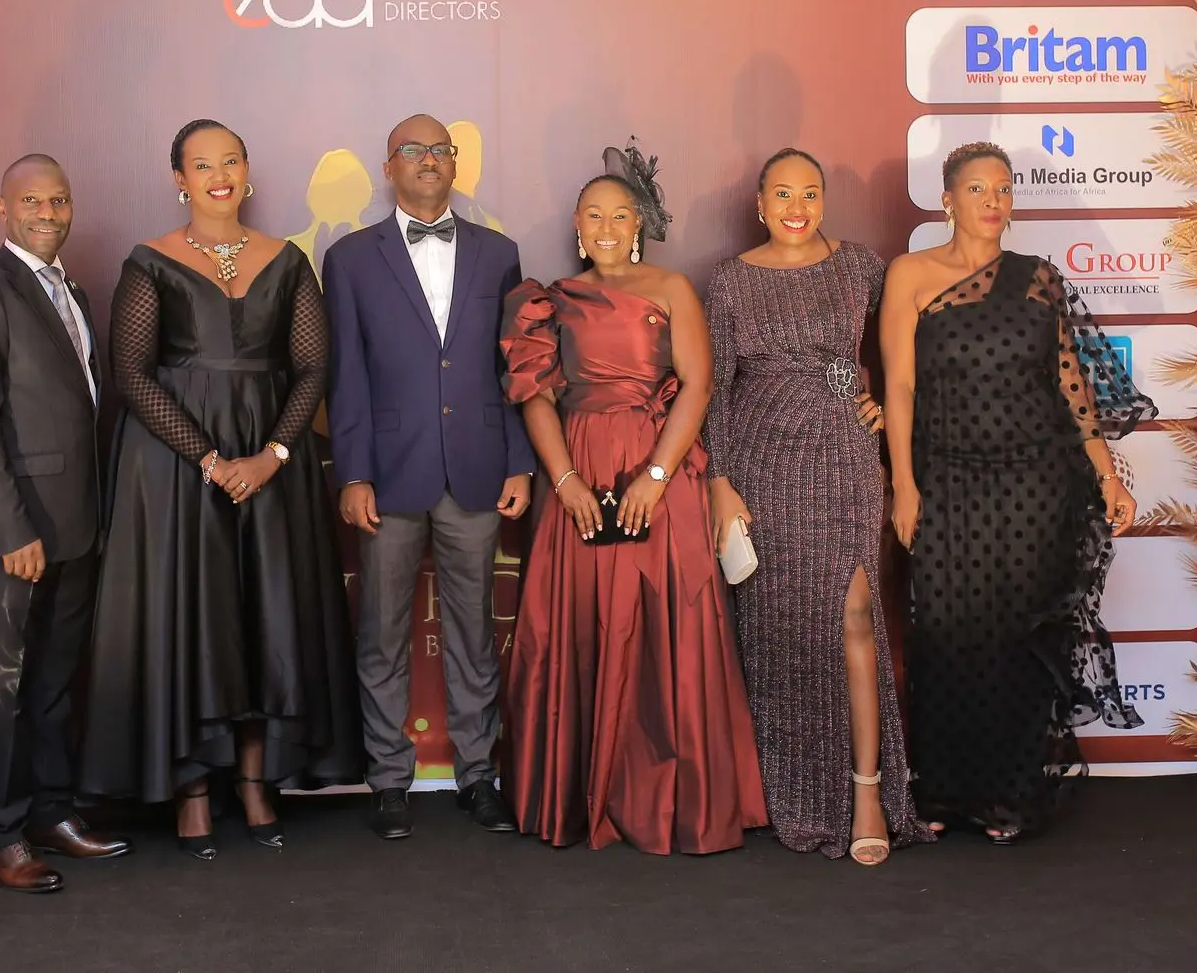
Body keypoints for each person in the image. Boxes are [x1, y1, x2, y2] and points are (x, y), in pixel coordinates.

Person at [79, 119, 360, 859]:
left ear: (247, 170)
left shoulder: (288, 260)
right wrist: (208, 458)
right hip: (174, 470)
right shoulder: (149, 262)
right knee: (193, 618)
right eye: (202, 165)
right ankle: (193, 790)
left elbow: (312, 367)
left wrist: (272, 454)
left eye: (230, 161)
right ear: (180, 179)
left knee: (267, 616)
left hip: (272, 464)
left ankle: (255, 781)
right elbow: (131, 373)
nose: (219, 176)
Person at [879, 142, 1152, 843]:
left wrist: (1107, 474)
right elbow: (900, 386)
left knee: (1018, 639)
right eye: (978, 188)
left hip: (1036, 483)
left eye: (1004, 188)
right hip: (947, 476)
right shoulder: (910, 275)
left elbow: (1071, 386)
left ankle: (1010, 797)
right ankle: (942, 792)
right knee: (945, 631)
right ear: (947, 199)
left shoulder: (1038, 279)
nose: (994, 201)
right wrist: (904, 483)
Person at [499, 148, 766, 854]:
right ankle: (582, 796)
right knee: (581, 623)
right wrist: (565, 482)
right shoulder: (547, 299)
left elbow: (698, 386)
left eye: (620, 215)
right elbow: (535, 397)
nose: (608, 227)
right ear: (577, 225)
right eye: (594, 215)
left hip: (660, 468)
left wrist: (655, 474)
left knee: (667, 622)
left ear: (639, 223)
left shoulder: (673, 288)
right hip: (577, 470)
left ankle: (675, 803)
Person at [705, 148, 931, 865]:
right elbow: (716, 389)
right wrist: (719, 481)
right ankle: (795, 793)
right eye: (782, 194)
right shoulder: (730, 280)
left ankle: (868, 792)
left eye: (809, 193)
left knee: (856, 615)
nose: (796, 207)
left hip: (843, 457)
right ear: (760, 204)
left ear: (824, 201)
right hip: (763, 465)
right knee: (782, 631)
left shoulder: (860, 266)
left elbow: (905, 353)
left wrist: (875, 400)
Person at [322, 112, 533, 840]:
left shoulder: (499, 253)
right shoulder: (349, 258)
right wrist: (353, 473)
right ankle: (388, 780)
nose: (428, 160)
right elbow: (346, 376)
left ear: (454, 164)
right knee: (381, 634)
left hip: (477, 468)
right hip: (386, 473)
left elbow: (512, 371)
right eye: (412, 150)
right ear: (389, 166)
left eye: (440, 150)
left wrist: (519, 459)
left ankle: (477, 777)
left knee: (474, 633)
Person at [0, 154, 129, 894]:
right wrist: (12, 529)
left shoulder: (70, 290)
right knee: (3, 689)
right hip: (10, 536)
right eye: (31, 201)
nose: (47, 214)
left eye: (59, 200)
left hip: (75, 526)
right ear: (3, 208)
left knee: (53, 682)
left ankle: (52, 814)